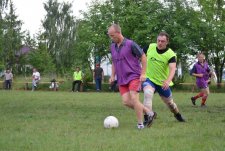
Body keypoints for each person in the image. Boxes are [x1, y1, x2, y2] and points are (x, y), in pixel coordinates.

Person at [108, 23, 153, 129]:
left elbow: (143, 57)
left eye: (112, 35)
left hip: (134, 75)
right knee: (126, 102)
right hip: (121, 78)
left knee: (134, 98)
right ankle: (148, 112)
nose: (111, 38)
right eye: (110, 35)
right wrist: (112, 75)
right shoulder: (112, 47)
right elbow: (114, 62)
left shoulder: (131, 44)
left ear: (118, 33)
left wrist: (143, 73)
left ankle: (140, 124)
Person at [142, 32, 185, 125]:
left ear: (167, 42)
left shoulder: (171, 54)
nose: (160, 43)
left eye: (163, 41)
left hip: (163, 83)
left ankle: (177, 115)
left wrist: (168, 81)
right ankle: (147, 118)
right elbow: (139, 56)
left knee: (170, 104)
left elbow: (173, 69)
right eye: (158, 40)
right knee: (147, 93)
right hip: (150, 79)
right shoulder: (150, 47)